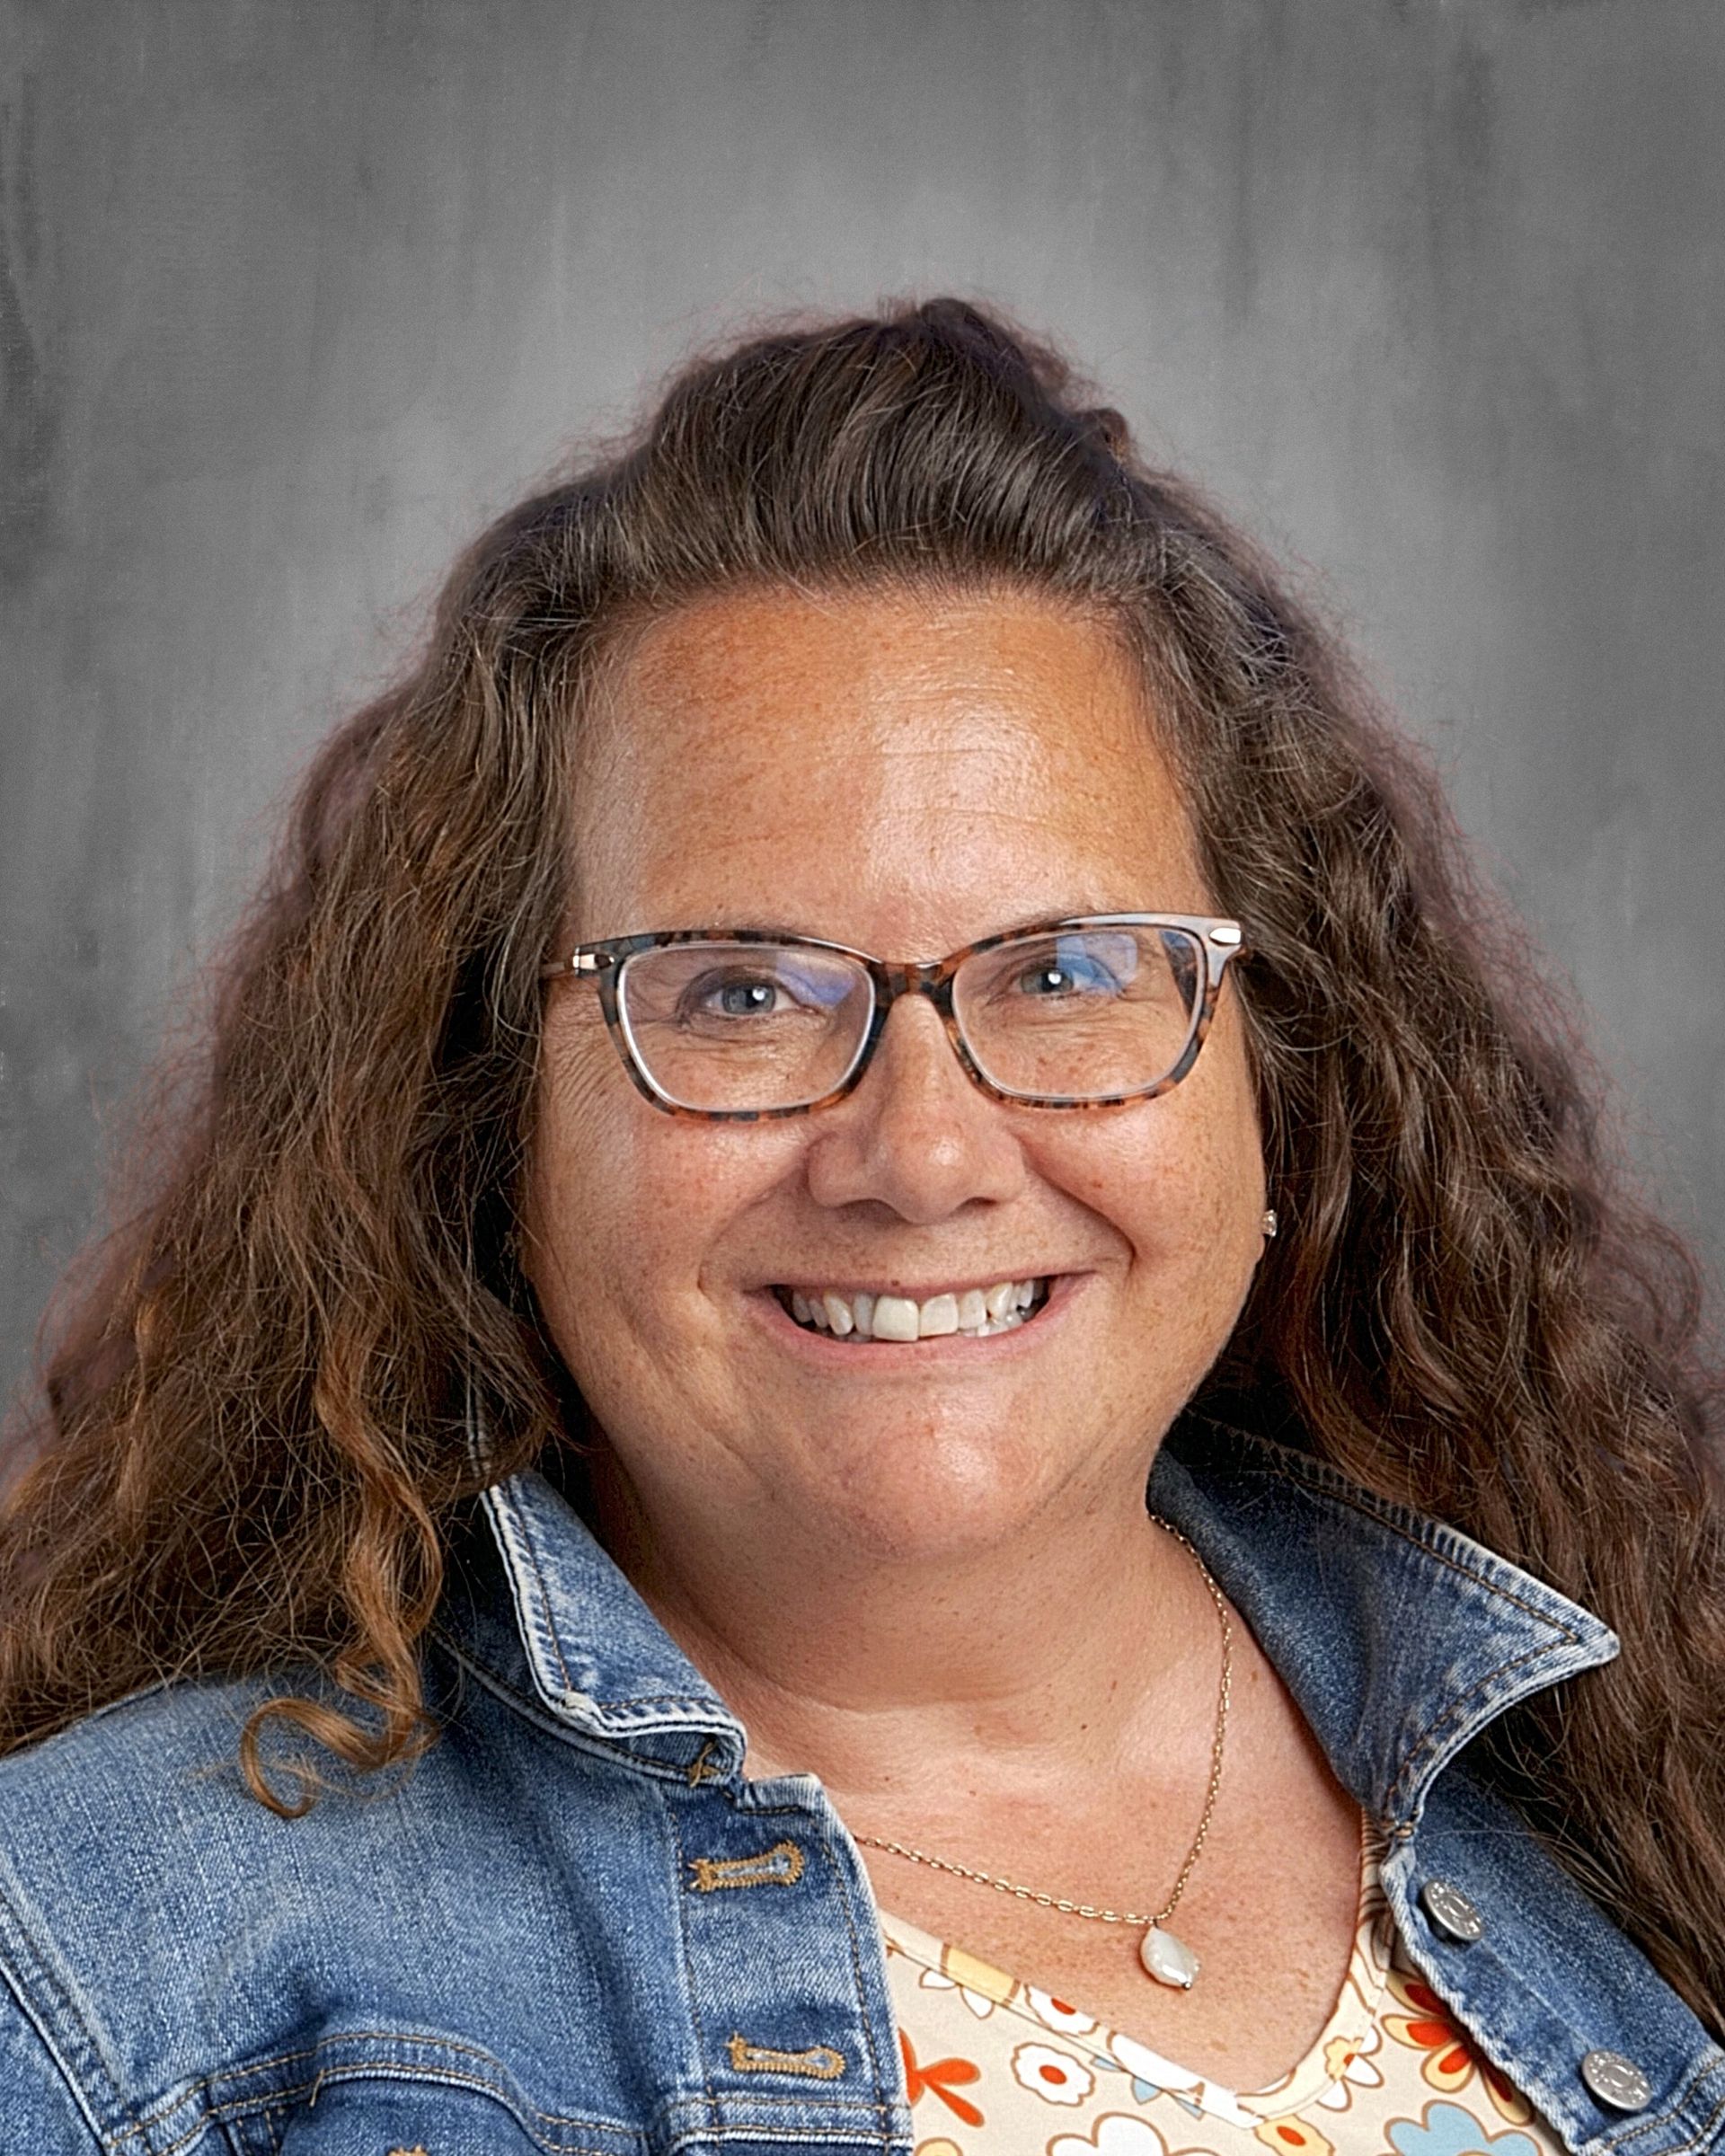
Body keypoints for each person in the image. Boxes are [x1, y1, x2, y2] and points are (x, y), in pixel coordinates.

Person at [0, 300, 1721, 2156]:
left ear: (1280, 1087)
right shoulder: (97, 1978)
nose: (922, 1156)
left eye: (1066, 973)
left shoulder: (1647, 1793)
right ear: (488, 1121)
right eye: (741, 993)